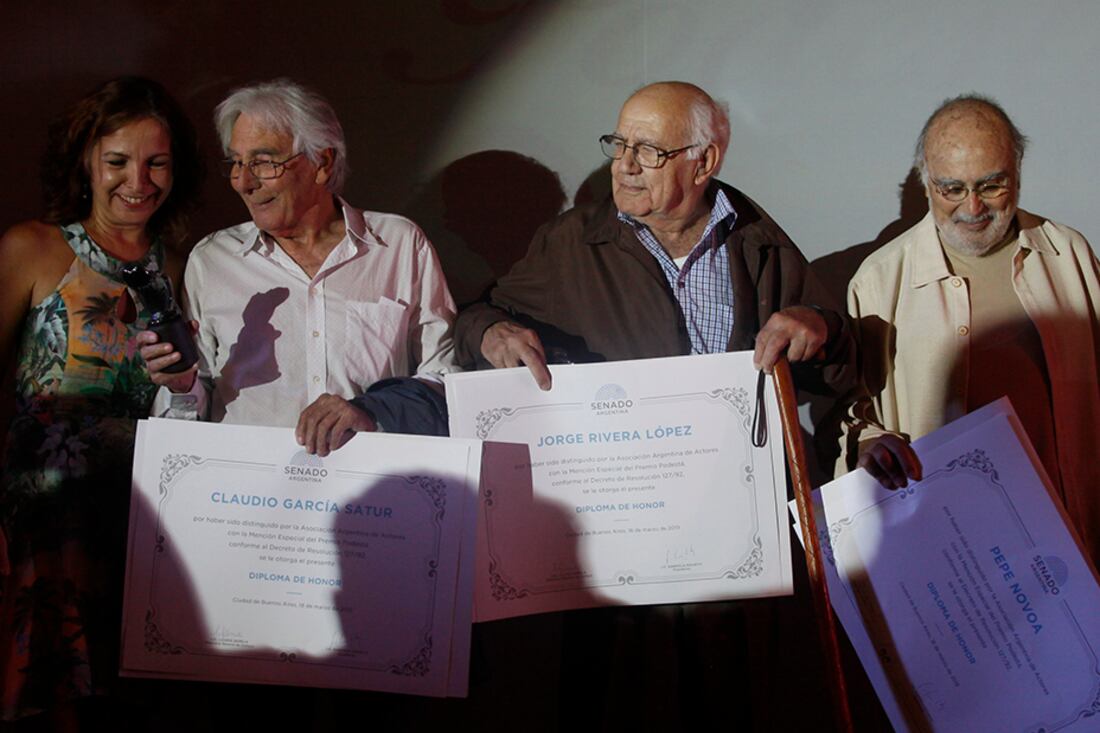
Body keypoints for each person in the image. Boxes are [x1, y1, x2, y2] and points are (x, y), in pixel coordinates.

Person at [454, 81, 853, 730]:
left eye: (648, 149)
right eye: (619, 143)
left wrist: (820, 329)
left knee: (736, 699)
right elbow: (478, 314)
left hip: (730, 534)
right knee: (623, 699)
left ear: (705, 161)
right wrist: (488, 334)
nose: (624, 164)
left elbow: (834, 362)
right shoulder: (572, 243)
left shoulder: (756, 241)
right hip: (620, 531)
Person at [0, 76, 202, 724]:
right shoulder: (32, 247)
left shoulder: (181, 267)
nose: (137, 180)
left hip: (140, 529)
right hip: (42, 529)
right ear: (84, 161)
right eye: (117, 161)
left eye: (156, 162)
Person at [838, 94, 1100, 563]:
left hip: (1072, 524)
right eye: (951, 189)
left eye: (991, 185)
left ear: (1017, 172)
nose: (973, 207)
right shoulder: (879, 281)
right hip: (950, 543)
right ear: (926, 182)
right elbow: (853, 417)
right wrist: (871, 444)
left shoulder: (1071, 255)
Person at [140, 79, 458, 450]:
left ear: (322, 163)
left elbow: (444, 380)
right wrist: (182, 386)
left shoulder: (398, 245)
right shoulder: (212, 260)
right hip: (249, 492)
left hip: (371, 492)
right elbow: (196, 406)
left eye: (263, 162)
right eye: (237, 162)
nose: (242, 182)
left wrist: (371, 411)